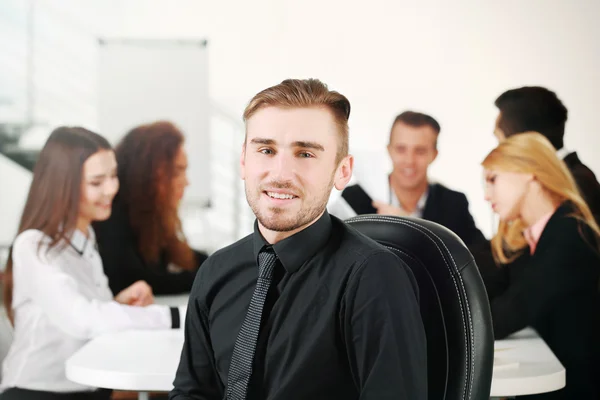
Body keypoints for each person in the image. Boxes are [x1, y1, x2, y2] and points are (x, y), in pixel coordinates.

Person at [169, 79, 427, 400]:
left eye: (305, 153)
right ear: (244, 161)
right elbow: (192, 392)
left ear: (342, 171)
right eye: (266, 150)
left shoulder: (374, 277)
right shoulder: (216, 271)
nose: (281, 173)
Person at [0, 127, 181, 400]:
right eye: (97, 182)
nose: (111, 189)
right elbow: (81, 319)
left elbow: (82, 314)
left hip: (87, 385)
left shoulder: (86, 236)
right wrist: (175, 316)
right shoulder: (34, 245)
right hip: (37, 391)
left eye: (113, 176)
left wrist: (118, 303)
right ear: (64, 186)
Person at [482, 132, 600, 399]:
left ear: (528, 173)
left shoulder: (571, 233)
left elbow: (514, 309)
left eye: (492, 180)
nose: (486, 195)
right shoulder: (530, 237)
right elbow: (490, 287)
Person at [328, 110, 486, 248]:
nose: (409, 161)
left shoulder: (453, 203)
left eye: (420, 151)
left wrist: (412, 226)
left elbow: (481, 258)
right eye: (401, 149)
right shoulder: (355, 198)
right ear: (389, 150)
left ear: (434, 155)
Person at [93, 121, 208, 296]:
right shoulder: (110, 215)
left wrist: (220, 264)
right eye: (177, 171)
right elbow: (139, 280)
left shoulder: (147, 215)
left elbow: (173, 253)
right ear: (148, 172)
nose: (186, 182)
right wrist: (211, 277)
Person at [494, 86, 600, 223]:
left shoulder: (574, 185)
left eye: (500, 140)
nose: (499, 151)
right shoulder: (567, 178)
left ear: (523, 140)